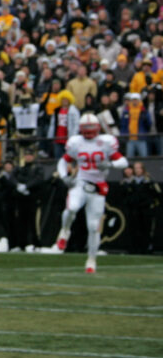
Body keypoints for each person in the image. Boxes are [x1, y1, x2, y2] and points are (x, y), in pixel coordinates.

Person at [54, 114, 128, 273]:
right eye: (85, 128)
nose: (88, 131)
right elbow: (63, 161)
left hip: (98, 186)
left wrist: (110, 164)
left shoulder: (105, 142)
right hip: (80, 182)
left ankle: (91, 260)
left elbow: (124, 162)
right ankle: (65, 230)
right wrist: (64, 177)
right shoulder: (76, 142)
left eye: (90, 128)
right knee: (72, 207)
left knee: (93, 226)